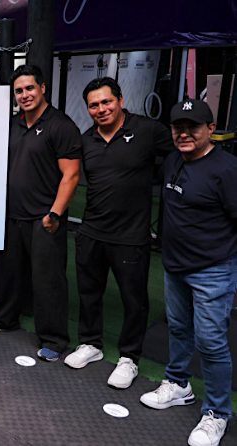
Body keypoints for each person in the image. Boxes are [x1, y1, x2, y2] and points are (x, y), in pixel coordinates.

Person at [64, 77, 173, 389]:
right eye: (93, 105)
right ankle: (91, 343)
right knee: (89, 293)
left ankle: (129, 358)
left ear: (120, 101)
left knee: (134, 301)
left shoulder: (148, 130)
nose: (101, 109)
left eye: (106, 102)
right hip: (91, 232)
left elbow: (181, 154)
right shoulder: (86, 140)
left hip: (131, 236)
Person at [140, 99, 236, 446]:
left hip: (213, 270)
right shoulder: (173, 161)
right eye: (178, 127)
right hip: (174, 266)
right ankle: (179, 384)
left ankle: (217, 413)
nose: (184, 133)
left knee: (210, 341)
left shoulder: (227, 169)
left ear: (210, 129)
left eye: (192, 127)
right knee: (178, 328)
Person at [0, 65, 81, 362]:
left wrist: (55, 213)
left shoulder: (61, 125)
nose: (25, 95)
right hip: (11, 215)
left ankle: (54, 338)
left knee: (48, 279)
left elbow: (71, 175)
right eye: (19, 90)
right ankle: (4, 318)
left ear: (43, 88)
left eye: (30, 88)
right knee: (7, 272)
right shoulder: (12, 124)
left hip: (44, 218)